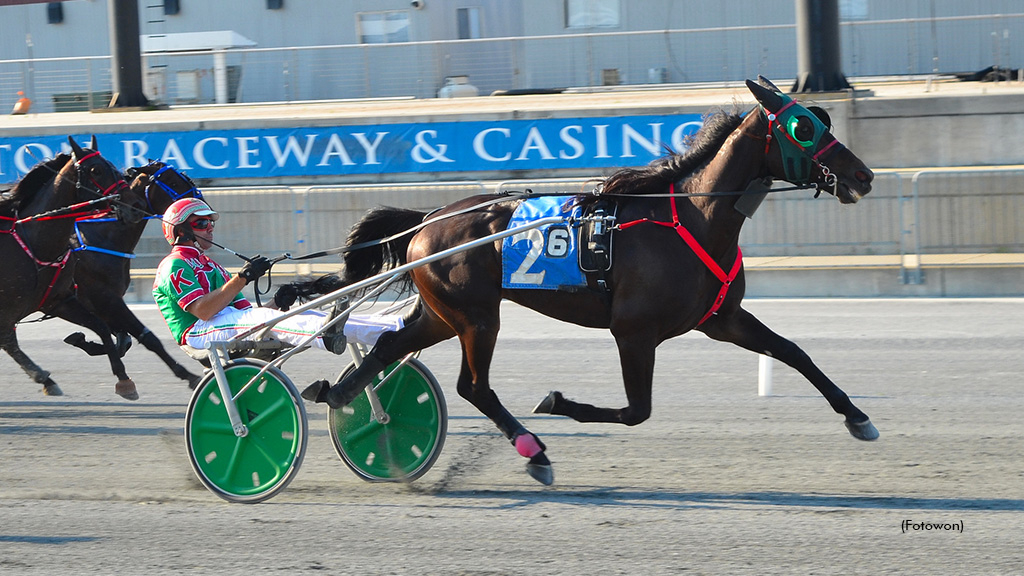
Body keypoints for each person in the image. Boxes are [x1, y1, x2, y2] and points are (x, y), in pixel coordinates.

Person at [153, 198, 400, 354]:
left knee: (300, 313)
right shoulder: (173, 265)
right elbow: (204, 312)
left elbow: (245, 314)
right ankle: (324, 336)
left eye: (211, 223)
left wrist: (280, 303)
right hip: (197, 332)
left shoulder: (213, 267)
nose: (209, 228)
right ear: (181, 230)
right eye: (200, 224)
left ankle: (394, 330)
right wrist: (243, 278)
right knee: (262, 316)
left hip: (225, 325)